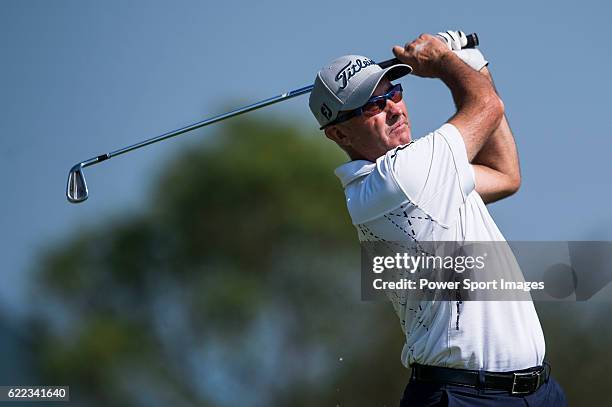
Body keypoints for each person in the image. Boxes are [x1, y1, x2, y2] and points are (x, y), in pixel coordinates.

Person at [308, 31, 568, 406]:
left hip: (539, 392)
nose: (394, 108)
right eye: (372, 107)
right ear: (338, 133)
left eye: (393, 92)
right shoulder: (399, 178)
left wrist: (472, 60)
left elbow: (505, 174)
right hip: (461, 397)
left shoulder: (424, 174)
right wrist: (443, 60)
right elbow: (487, 106)